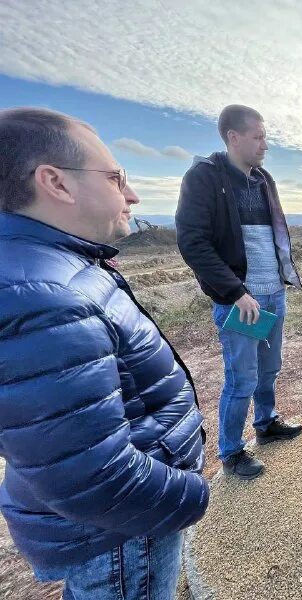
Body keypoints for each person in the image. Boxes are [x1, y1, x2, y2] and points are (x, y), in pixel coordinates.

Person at [0, 108, 208, 599]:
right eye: (116, 178)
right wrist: (192, 495)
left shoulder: (46, 269)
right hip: (120, 537)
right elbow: (94, 479)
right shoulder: (47, 297)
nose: (132, 195)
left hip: (113, 532)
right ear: (56, 182)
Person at [176, 104, 302, 480]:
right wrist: (235, 292)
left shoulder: (263, 179)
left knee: (269, 370)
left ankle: (266, 422)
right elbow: (193, 243)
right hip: (243, 302)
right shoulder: (204, 177)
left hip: (272, 294)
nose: (265, 144)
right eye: (258, 136)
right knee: (242, 378)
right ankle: (231, 451)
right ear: (233, 137)